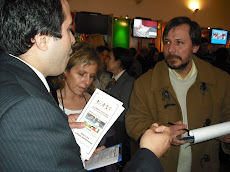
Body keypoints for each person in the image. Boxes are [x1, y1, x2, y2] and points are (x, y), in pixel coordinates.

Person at [0, 0, 171, 171]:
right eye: (68, 29)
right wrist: (149, 153)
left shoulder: (10, 78)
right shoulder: (28, 107)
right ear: (43, 39)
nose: (73, 39)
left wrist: (58, 133)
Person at [126, 16, 230, 172]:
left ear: (195, 47)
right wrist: (161, 133)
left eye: (179, 42)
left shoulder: (221, 80)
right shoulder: (145, 83)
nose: (171, 50)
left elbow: (226, 116)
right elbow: (134, 122)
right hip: (162, 165)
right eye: (167, 42)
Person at [105, 47, 135, 170]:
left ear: (119, 62)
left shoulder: (128, 82)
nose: (106, 60)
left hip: (119, 135)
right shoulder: (112, 80)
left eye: (109, 58)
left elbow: (124, 112)